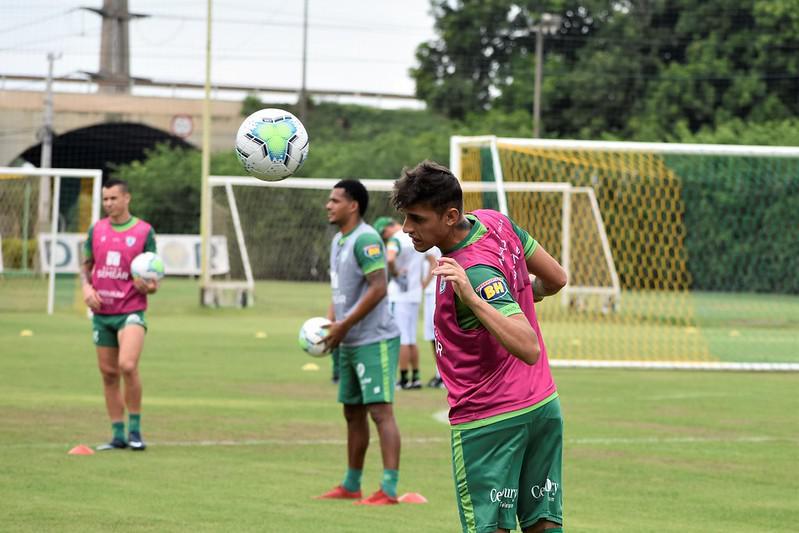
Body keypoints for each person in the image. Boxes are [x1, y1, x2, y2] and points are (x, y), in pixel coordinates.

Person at [391, 161, 568, 533]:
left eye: (417, 219)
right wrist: (516, 297)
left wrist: (474, 299)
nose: (407, 228)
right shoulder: (496, 222)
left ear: (451, 215)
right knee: (543, 525)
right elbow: (555, 278)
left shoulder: (470, 271)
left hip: (491, 419)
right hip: (541, 406)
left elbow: (528, 345)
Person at [317, 179, 403, 506]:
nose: (328, 205)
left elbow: (379, 287)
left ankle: (389, 489)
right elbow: (338, 292)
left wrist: (344, 325)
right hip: (348, 339)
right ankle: (352, 484)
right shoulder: (339, 240)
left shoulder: (366, 238)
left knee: (380, 411)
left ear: (353, 205)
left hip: (374, 339)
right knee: (352, 412)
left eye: (335, 200)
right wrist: (330, 328)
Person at [80, 178, 159, 451]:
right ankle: (118, 435)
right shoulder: (96, 230)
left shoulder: (144, 231)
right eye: (105, 199)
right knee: (108, 374)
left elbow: (154, 279)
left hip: (131, 311)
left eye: (113, 198)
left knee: (127, 365)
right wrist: (86, 288)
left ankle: (135, 431)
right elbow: (86, 266)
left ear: (127, 199)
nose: (108, 204)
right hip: (102, 312)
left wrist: (147, 286)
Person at [373, 216, 426, 390]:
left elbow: (389, 259)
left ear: (388, 228)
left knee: (402, 338)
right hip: (414, 294)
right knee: (411, 338)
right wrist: (423, 283)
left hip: (400, 294)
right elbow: (431, 261)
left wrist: (395, 273)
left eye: (384, 234)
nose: (385, 238)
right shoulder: (417, 236)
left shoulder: (395, 240)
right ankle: (416, 376)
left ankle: (403, 379)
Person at [421, 246, 444, 388]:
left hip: (432, 291)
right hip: (433, 291)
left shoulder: (430, 240)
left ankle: (441, 375)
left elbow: (433, 263)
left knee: (436, 335)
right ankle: (439, 373)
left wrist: (423, 285)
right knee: (433, 336)